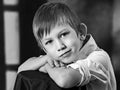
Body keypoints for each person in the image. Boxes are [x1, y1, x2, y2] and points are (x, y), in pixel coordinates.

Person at [17, 2, 116, 90]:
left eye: (63, 35)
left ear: (81, 32)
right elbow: (21, 69)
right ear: (45, 49)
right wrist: (45, 59)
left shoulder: (99, 58)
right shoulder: (60, 55)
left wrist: (47, 67)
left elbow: (64, 80)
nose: (60, 46)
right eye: (49, 42)